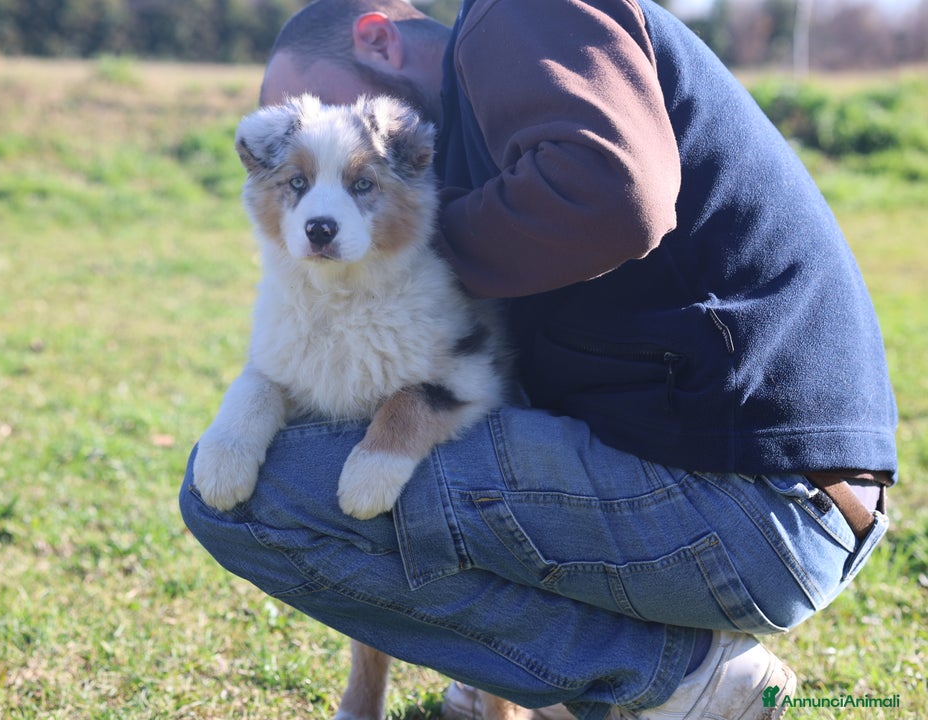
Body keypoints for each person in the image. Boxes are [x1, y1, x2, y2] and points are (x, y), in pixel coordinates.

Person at [179, 0, 898, 718]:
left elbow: (616, 196)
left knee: (267, 493)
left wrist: (414, 246)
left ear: (378, 39)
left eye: (318, 106)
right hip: (778, 492)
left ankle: (679, 680)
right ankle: (548, 677)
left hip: (755, 507)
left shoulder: (519, 12)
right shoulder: (488, 100)